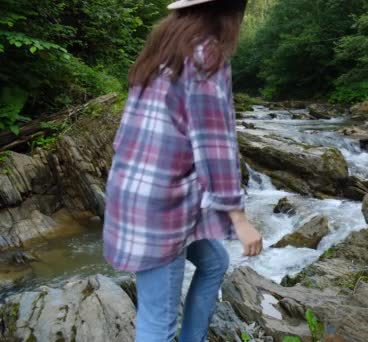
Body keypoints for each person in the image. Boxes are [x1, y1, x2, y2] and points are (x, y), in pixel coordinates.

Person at [102, 0, 262, 341]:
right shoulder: (206, 55)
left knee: (214, 262)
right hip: (162, 205)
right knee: (157, 325)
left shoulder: (162, 50)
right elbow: (214, 145)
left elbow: (128, 131)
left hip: (132, 188)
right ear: (228, 11)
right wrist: (239, 218)